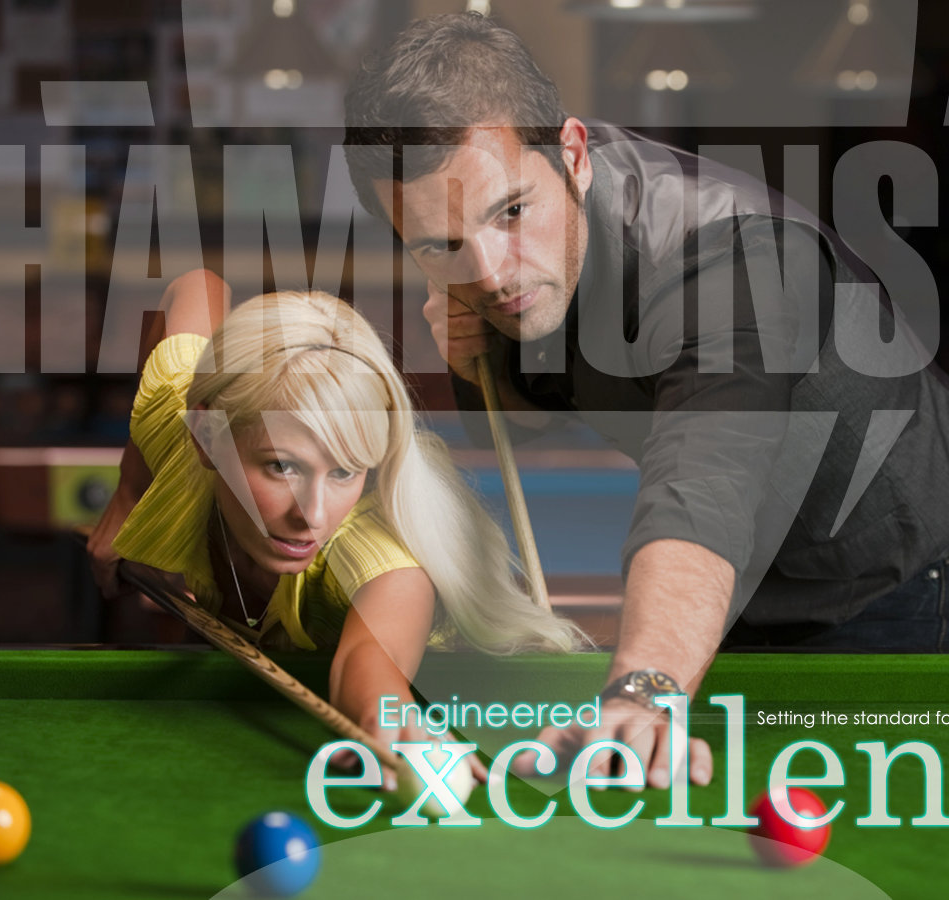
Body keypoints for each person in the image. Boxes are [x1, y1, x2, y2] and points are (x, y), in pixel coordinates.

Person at [342, 12, 949, 788]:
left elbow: (707, 480)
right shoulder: (512, 268)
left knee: (865, 821)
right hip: (748, 580)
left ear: (572, 154)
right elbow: (527, 425)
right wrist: (473, 362)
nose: (488, 274)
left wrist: (645, 684)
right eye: (440, 244)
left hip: (894, 562)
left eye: (511, 212)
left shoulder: (733, 259)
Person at [87, 269, 584, 778]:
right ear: (206, 435)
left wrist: (385, 713)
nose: (314, 515)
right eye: (283, 465)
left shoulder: (379, 549)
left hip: (485, 697)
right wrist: (130, 490)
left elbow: (368, 658)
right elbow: (196, 285)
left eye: (345, 470)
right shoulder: (181, 424)